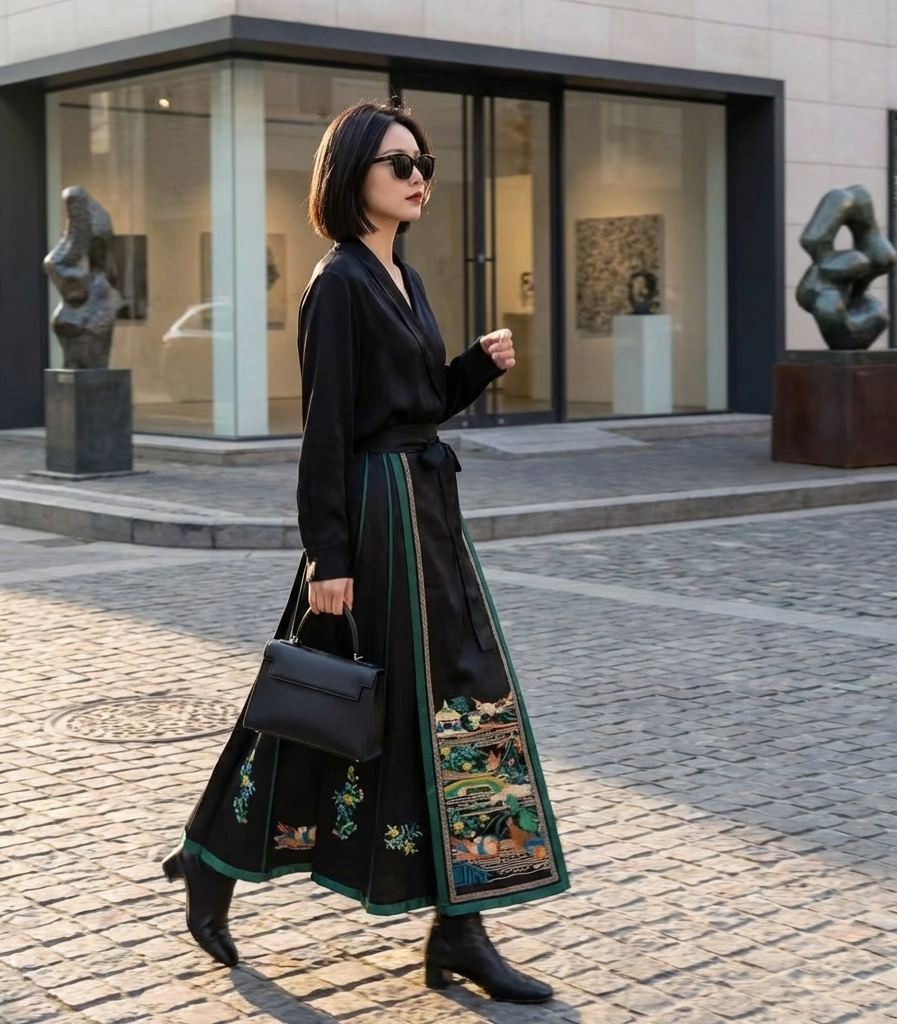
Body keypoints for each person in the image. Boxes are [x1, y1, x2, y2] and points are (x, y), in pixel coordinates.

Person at [162, 100, 569, 1004]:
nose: (419, 175)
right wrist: (329, 556)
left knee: (454, 705)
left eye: (423, 161)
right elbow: (327, 432)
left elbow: (411, 404)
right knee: (345, 703)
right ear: (353, 177)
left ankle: (459, 928)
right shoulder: (337, 282)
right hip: (377, 522)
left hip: (426, 509)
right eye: (399, 163)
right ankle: (213, 860)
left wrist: (472, 371)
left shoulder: (405, 277)